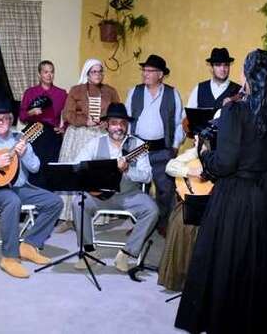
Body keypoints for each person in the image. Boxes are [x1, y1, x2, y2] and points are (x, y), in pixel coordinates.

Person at [176, 49, 267, 334]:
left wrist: (206, 159)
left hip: (236, 197)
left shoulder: (234, 111)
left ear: (249, 78)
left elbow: (225, 163)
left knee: (230, 260)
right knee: (266, 261)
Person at [0, 98, 63, 279]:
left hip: (19, 186)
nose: (1, 122)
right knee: (12, 201)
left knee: (55, 202)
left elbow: (35, 167)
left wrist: (24, 155)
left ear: (11, 119)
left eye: (5, 118)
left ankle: (29, 245)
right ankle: (8, 257)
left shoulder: (20, 138)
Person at [71, 103, 157, 273]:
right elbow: (77, 165)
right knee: (78, 203)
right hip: (99, 195)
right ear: (107, 125)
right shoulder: (95, 143)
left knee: (152, 210)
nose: (118, 127)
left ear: (126, 125)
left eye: (122, 123)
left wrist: (128, 170)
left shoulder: (137, 144)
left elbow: (147, 176)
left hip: (129, 194)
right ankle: (89, 252)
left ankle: (127, 252)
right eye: (114, 123)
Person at [56, 59, 119, 231]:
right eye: (94, 71)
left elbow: (116, 114)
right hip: (78, 136)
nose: (97, 74)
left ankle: (95, 217)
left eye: (100, 71)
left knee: (95, 175)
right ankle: (68, 217)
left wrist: (106, 123)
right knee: (74, 173)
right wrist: (85, 120)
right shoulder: (76, 90)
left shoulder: (110, 92)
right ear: (87, 73)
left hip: (100, 136)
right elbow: (67, 114)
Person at [125, 54, 183, 234]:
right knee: (135, 189)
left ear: (160, 74)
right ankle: (138, 224)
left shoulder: (172, 93)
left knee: (165, 190)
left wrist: (174, 146)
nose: (145, 74)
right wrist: (127, 145)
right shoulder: (135, 91)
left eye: (150, 71)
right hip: (138, 148)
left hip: (161, 149)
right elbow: (127, 118)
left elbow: (178, 122)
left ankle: (163, 223)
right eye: (144, 70)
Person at [158, 141, 204, 292]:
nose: (196, 139)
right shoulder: (196, 151)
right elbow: (170, 166)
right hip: (194, 200)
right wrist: (192, 172)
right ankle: (179, 278)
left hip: (219, 201)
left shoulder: (228, 151)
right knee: (180, 221)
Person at [19, 60, 67, 188]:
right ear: (39, 74)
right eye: (45, 72)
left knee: (51, 166)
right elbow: (22, 117)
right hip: (34, 130)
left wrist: (64, 128)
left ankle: (49, 200)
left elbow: (68, 115)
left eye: (51, 72)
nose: (49, 75)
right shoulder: (30, 92)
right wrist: (31, 112)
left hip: (52, 133)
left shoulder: (61, 94)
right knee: (33, 165)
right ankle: (32, 198)